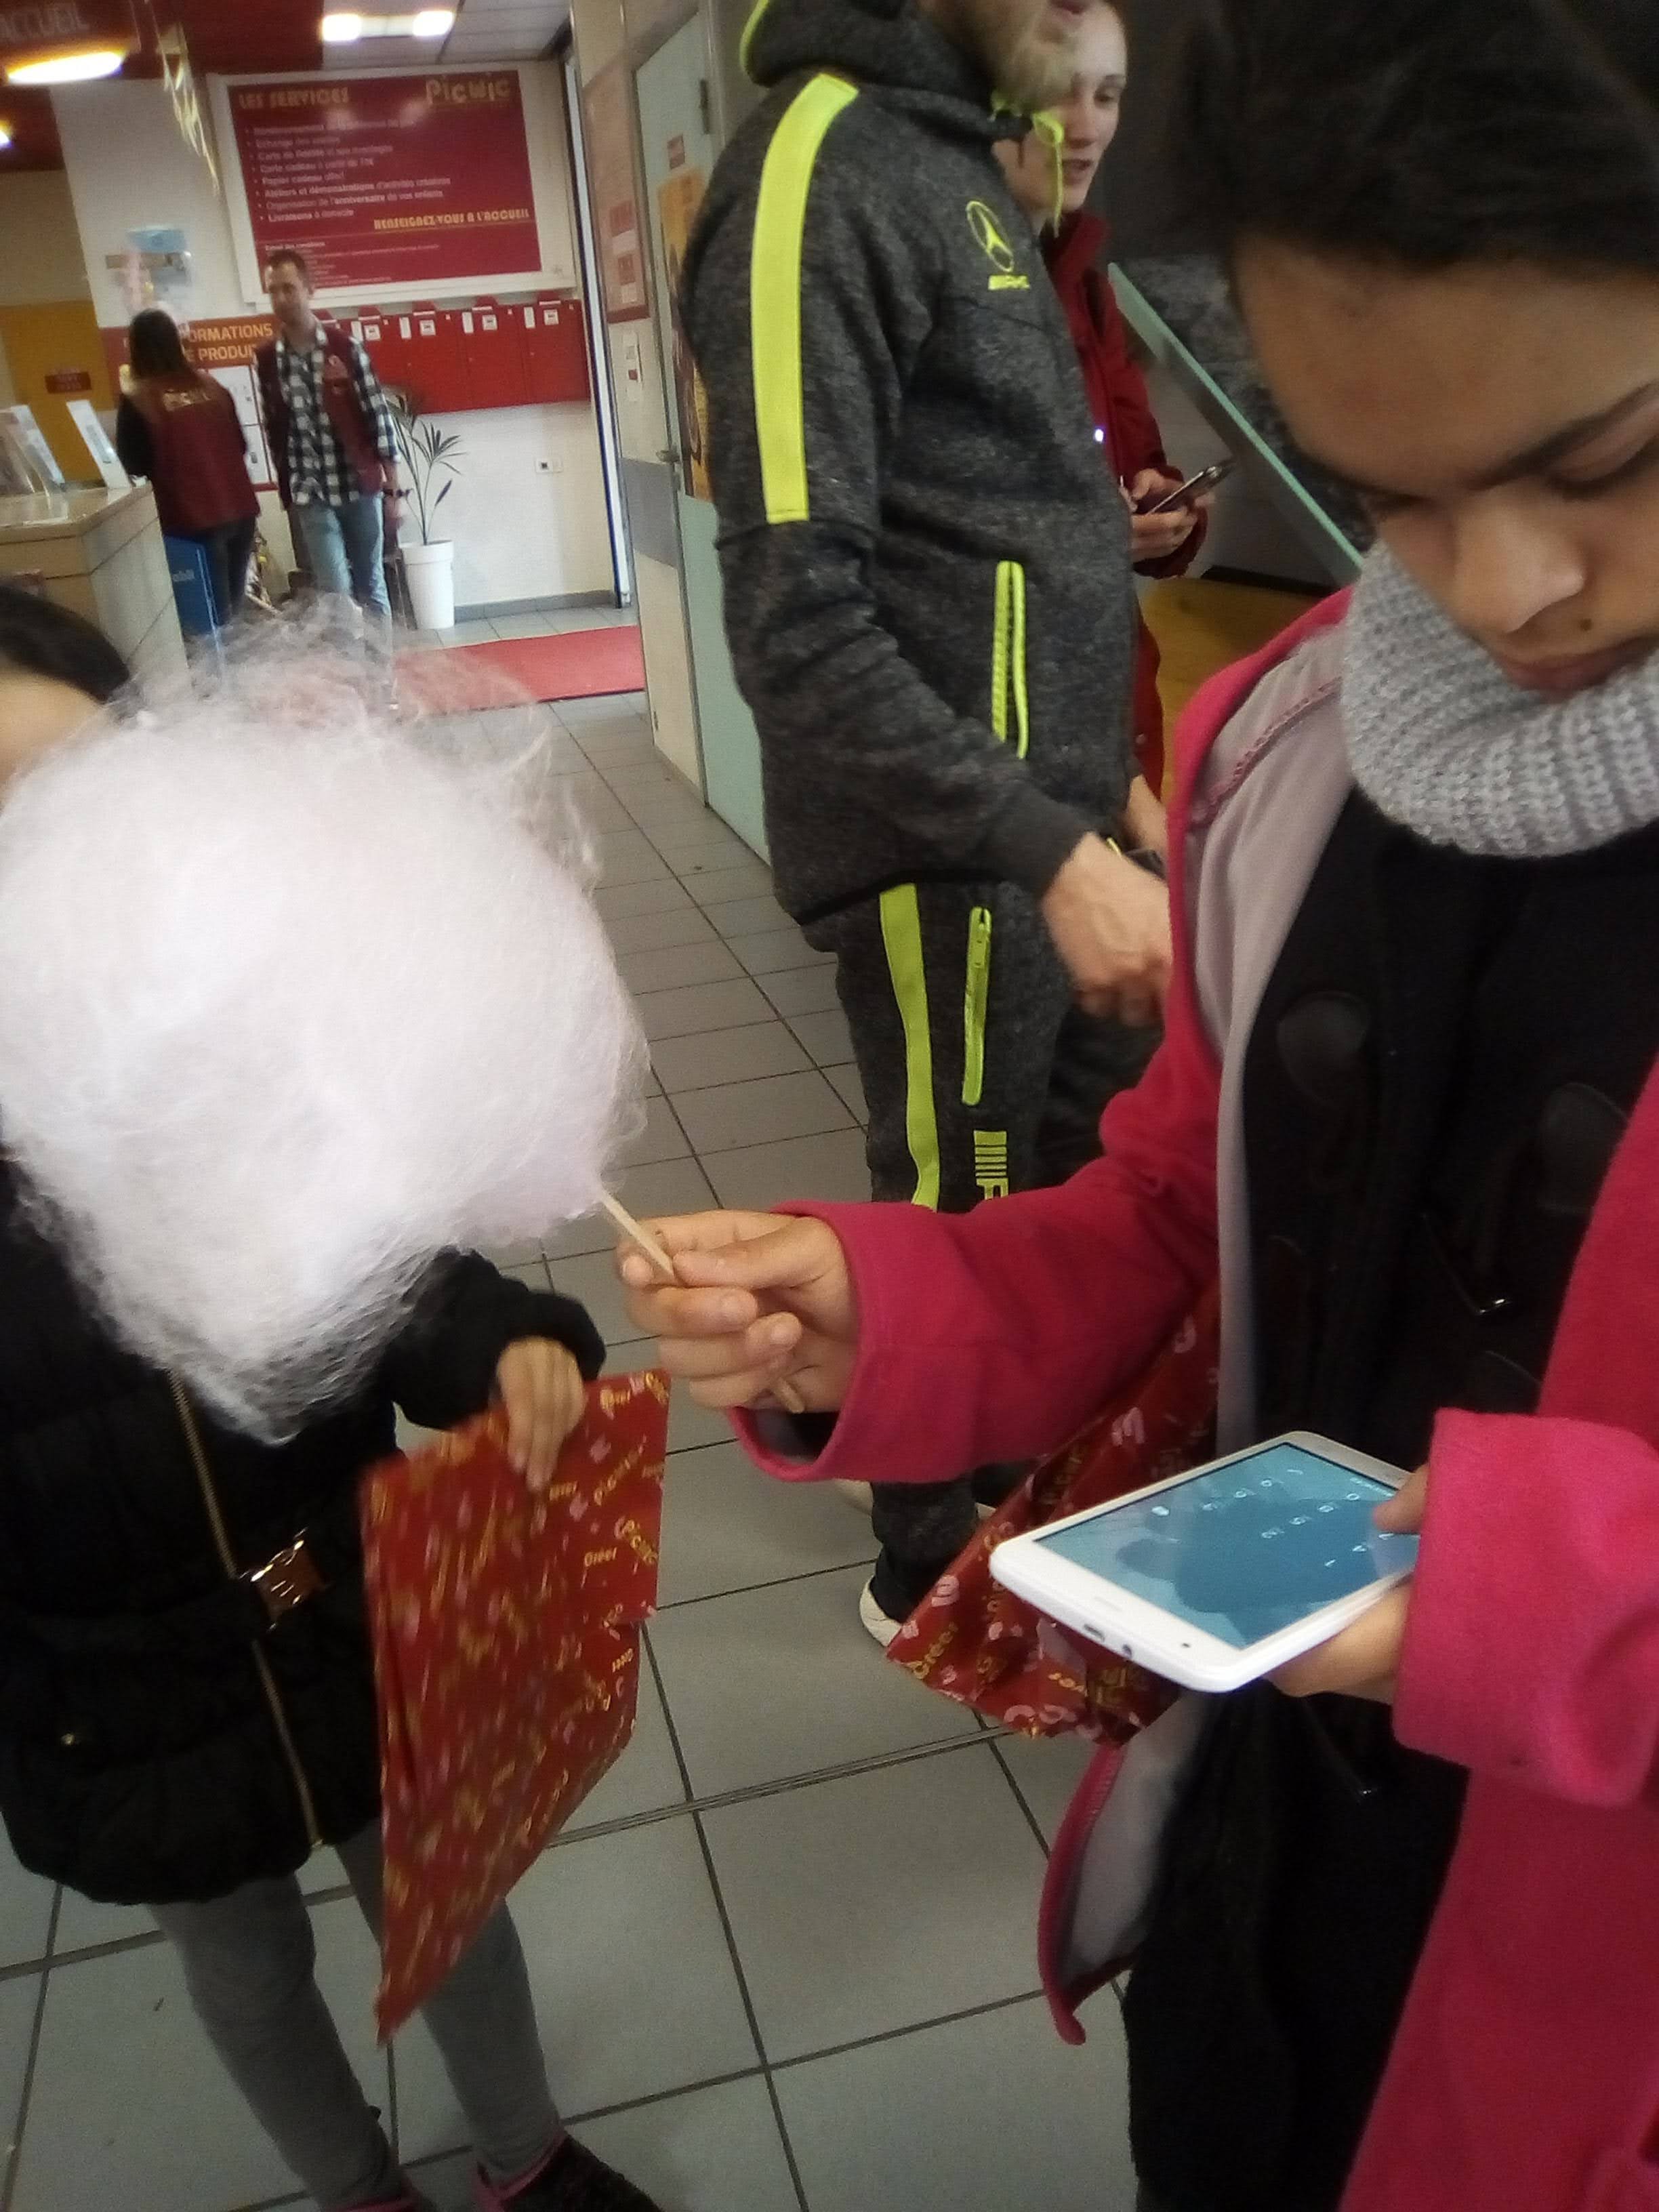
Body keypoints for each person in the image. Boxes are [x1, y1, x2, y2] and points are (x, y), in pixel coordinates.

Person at [623, 2, 1659, 2208]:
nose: (1501, 591)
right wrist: (889, 1306)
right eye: (1388, 493)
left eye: (1603, 462)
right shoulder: (1293, 755)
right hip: (1266, 1908)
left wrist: (1533, 1604)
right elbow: (1180, 1218)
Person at [0, 594, 661, 2212]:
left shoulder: (239, 1042)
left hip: (352, 1605)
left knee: (448, 1908)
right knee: (241, 1972)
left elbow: (396, 1271)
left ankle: (525, 2159)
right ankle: (355, 2187)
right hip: (115, 1689)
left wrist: (506, 1345)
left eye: (66, 799)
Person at [682, 0, 1173, 1645]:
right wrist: (1048, 850)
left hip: (1057, 842)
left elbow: (997, 540)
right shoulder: (814, 163)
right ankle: (922, 1571)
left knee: (1068, 1217)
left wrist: (1107, 796)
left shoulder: (958, 158)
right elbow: (794, 623)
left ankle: (1037, 1533)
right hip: (959, 868)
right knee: (958, 1213)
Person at [996, 0, 1210, 812]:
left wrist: (1165, 510)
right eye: (1059, 91)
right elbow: (925, 543)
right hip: (1012, 740)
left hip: (1113, 710)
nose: (1086, 127)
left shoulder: (1086, 285)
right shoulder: (944, 288)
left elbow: (1136, 464)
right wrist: (1091, 538)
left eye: (1108, 94)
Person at [255, 250, 398, 644]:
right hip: (310, 491)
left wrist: (393, 490)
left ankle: (380, 675)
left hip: (358, 485)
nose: (281, 298)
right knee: (335, 594)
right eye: (273, 291)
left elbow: (377, 416)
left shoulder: (345, 348)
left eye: (289, 288)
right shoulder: (267, 359)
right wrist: (286, 486)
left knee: (370, 583)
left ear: (309, 289)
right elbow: (274, 424)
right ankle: (352, 678)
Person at [115, 310, 262, 623]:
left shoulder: (139, 399)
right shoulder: (212, 387)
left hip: (191, 521)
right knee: (232, 618)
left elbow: (134, 462)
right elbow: (241, 445)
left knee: (208, 626)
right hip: (240, 512)